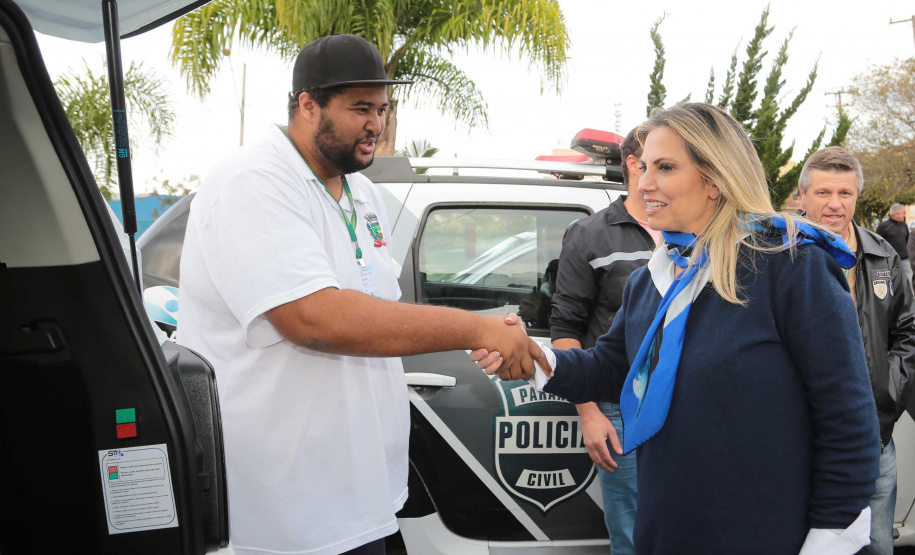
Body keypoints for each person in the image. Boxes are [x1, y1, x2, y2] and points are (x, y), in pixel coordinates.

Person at [177, 34, 532, 555]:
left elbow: (377, 311)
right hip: (283, 509)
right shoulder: (254, 180)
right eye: (360, 108)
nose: (376, 124)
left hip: (362, 496)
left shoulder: (360, 191)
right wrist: (475, 328)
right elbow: (315, 319)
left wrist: (479, 332)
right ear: (307, 104)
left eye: (382, 109)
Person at [473, 103, 881, 554]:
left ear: (714, 179)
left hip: (763, 534)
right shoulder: (654, 278)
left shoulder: (792, 266)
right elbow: (610, 366)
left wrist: (831, 541)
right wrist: (530, 356)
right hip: (669, 530)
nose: (644, 183)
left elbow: (848, 420)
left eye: (665, 167)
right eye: (644, 166)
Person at [796, 147, 915, 555]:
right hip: (802, 442)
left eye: (845, 193)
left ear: (857, 197)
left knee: (876, 545)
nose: (834, 204)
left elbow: (908, 331)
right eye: (823, 192)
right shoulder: (778, 258)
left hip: (873, 440)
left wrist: (885, 392)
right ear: (802, 197)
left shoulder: (884, 255)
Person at [548, 126, 656, 554]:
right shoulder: (591, 234)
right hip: (619, 406)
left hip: (688, 402)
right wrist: (590, 413)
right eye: (659, 161)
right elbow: (565, 330)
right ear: (634, 164)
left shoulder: (695, 230)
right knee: (632, 532)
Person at [876, 203, 913, 286]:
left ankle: (908, 299)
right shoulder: (883, 227)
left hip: (905, 260)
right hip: (890, 261)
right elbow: (877, 243)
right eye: (903, 213)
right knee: (892, 284)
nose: (904, 215)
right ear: (896, 214)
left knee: (908, 283)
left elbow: (907, 240)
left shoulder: (904, 225)